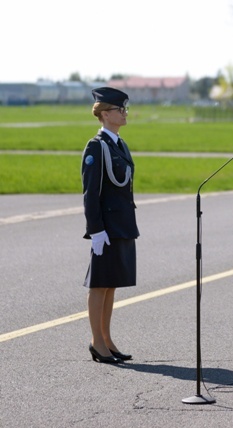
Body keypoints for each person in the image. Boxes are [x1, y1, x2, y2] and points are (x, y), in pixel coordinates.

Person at [81, 87, 139, 364]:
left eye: (124, 109)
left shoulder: (119, 144)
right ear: (105, 114)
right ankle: (97, 343)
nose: (124, 113)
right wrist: (96, 230)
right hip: (105, 227)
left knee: (111, 284)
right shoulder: (97, 146)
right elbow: (90, 193)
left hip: (122, 224)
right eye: (119, 109)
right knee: (99, 285)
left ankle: (107, 339)